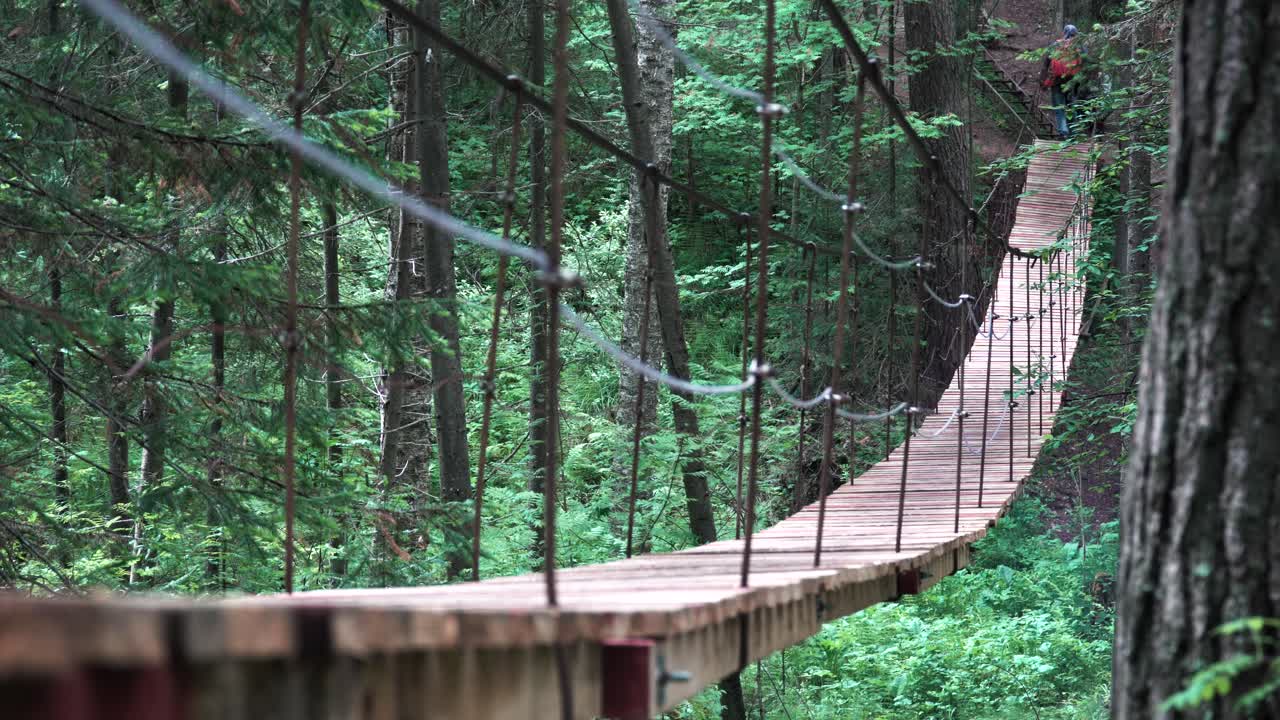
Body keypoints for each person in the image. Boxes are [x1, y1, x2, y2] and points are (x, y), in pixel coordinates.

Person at [1041, 25, 1086, 140]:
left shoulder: (1055, 45)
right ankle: (1073, 134)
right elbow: (1086, 64)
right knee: (1071, 106)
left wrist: (1043, 82)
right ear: (1076, 34)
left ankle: (1063, 132)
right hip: (1073, 82)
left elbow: (1046, 64)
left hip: (1056, 81)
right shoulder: (1080, 46)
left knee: (1059, 107)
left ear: (1064, 32)